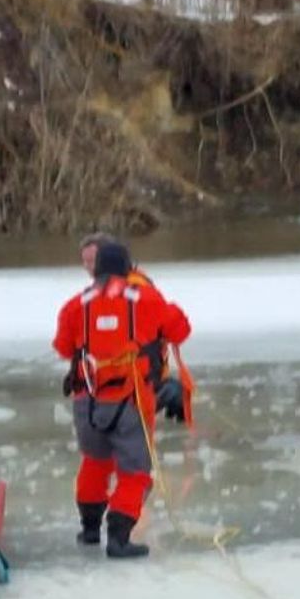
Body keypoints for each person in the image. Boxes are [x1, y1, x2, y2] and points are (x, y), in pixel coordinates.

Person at [54, 238, 192, 558]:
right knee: (135, 472)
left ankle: (89, 531)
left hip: (86, 402)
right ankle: (118, 537)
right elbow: (180, 330)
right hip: (130, 401)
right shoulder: (146, 298)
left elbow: (63, 348)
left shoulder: (76, 303)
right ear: (128, 268)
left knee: (94, 463)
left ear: (97, 269)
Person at [76, 233, 188, 423]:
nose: (88, 267)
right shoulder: (101, 291)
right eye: (85, 262)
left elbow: (166, 325)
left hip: (134, 378)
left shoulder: (135, 287)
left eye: (93, 261)